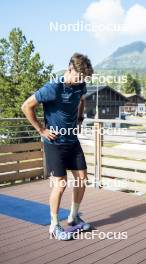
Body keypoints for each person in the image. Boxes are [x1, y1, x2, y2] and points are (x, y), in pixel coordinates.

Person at [21, 53, 94, 240]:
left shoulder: (80, 85)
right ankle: (54, 226)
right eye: (79, 77)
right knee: (60, 184)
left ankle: (73, 217)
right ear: (70, 68)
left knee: (82, 179)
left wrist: (79, 118)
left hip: (72, 141)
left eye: (83, 79)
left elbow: (82, 99)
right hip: (54, 143)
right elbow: (26, 106)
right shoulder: (53, 87)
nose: (80, 82)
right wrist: (41, 130)